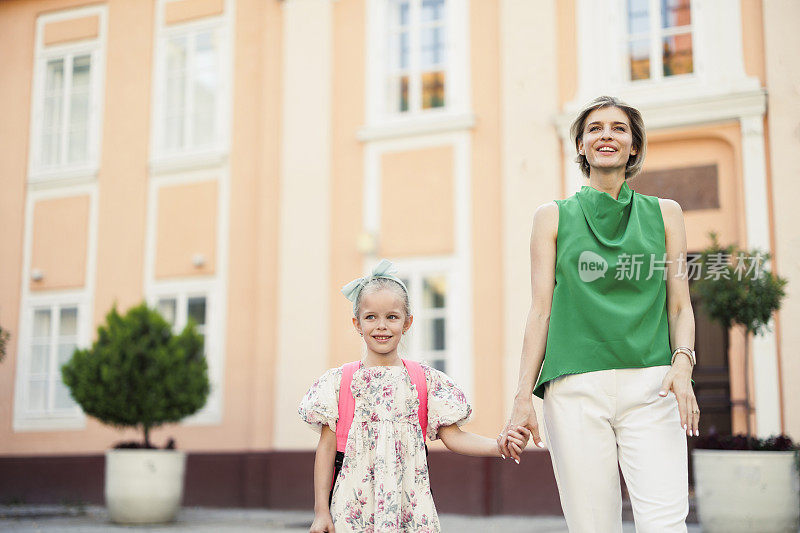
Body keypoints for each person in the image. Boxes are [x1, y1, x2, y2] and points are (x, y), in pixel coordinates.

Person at [499, 95, 698, 533]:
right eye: (595, 128)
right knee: (593, 526)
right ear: (582, 146)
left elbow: (680, 304)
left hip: (654, 385)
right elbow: (540, 312)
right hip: (574, 388)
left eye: (619, 128)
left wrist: (682, 365)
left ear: (634, 148)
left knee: (666, 522)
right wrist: (521, 401)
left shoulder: (667, 214)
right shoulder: (551, 217)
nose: (606, 134)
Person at [300, 259, 530, 533]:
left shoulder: (424, 381)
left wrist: (498, 446)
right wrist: (320, 512)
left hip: (410, 509)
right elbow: (326, 450)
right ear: (357, 323)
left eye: (392, 317)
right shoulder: (340, 383)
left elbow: (454, 436)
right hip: (354, 512)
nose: (381, 326)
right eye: (371, 317)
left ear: (407, 322)